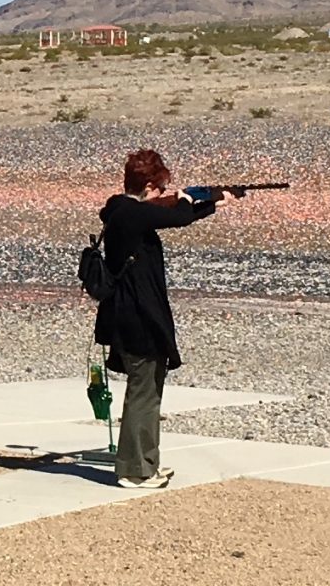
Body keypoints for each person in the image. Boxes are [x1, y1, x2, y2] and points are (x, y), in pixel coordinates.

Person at [94, 148, 236, 489]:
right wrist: (188, 199)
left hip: (133, 316)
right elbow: (179, 217)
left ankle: (146, 462)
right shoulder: (131, 214)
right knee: (143, 394)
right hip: (138, 318)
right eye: (159, 189)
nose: (161, 194)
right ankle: (134, 470)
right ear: (147, 187)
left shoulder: (121, 211)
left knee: (148, 391)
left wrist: (213, 203)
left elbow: (172, 217)